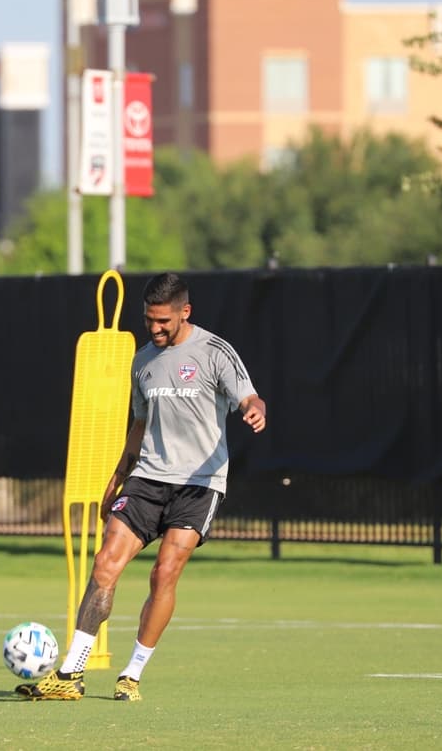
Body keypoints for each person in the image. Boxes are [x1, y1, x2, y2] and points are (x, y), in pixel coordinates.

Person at [16, 272, 267, 702]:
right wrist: (118, 475)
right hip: (147, 477)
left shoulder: (214, 351)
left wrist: (253, 409)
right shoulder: (143, 359)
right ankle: (70, 674)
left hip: (198, 485)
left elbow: (249, 397)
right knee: (105, 564)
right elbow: (139, 423)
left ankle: (131, 674)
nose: (154, 329)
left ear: (185, 312)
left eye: (163, 321)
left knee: (163, 574)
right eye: (149, 320)